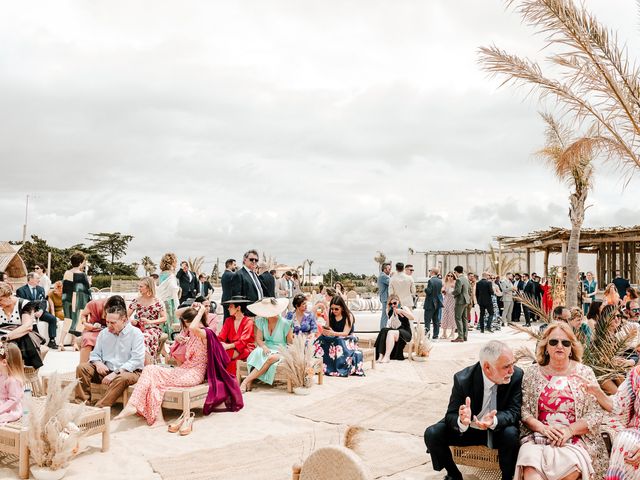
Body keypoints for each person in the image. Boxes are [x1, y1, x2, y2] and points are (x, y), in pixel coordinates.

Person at [515, 322, 607, 480]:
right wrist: (543, 429)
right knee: (531, 474)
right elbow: (524, 411)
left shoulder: (585, 372)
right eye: (553, 342)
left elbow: (595, 413)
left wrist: (569, 431)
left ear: (571, 348)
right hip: (538, 437)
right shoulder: (532, 373)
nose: (559, 346)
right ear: (546, 347)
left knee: (569, 472)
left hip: (575, 438)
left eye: (565, 343)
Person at [424, 340, 523, 480]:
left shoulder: (516, 376)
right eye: (506, 366)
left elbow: (514, 411)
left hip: (498, 430)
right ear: (487, 367)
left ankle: (507, 477)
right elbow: (450, 415)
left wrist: (494, 420)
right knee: (432, 433)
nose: (511, 370)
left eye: (513, 364)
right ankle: (453, 475)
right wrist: (462, 421)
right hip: (470, 430)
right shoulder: (463, 379)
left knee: (511, 433)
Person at [115, 304, 209, 427]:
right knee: (151, 375)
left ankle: (133, 405)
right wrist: (192, 307)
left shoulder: (206, 333)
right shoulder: (191, 334)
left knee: (152, 372)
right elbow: (178, 313)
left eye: (186, 323)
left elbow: (193, 327)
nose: (185, 326)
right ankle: (158, 419)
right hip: (184, 370)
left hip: (194, 374)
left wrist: (201, 311)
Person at [75, 304, 145, 407]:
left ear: (124, 320)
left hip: (129, 372)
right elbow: (95, 354)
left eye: (113, 323)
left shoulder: (136, 333)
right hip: (106, 370)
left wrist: (116, 373)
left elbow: (137, 360)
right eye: (107, 322)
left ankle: (99, 408)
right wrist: (98, 363)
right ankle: (81, 405)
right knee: (82, 368)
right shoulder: (104, 333)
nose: (109, 325)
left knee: (122, 378)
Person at [581, 364, 640, 480]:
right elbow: (619, 405)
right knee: (625, 441)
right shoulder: (638, 373)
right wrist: (597, 392)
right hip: (637, 432)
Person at [241, 298, 292, 392]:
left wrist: (287, 355)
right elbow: (259, 339)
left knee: (271, 358)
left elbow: (290, 344)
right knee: (257, 353)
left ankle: (246, 380)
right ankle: (250, 380)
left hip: (281, 350)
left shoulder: (285, 323)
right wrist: (264, 347)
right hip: (267, 347)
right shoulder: (262, 321)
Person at [314, 296, 365, 377]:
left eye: (336, 309)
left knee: (339, 341)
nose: (334, 311)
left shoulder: (349, 316)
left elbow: (346, 333)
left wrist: (333, 333)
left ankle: (338, 367)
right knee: (320, 339)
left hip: (347, 338)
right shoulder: (331, 315)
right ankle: (318, 365)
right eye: (332, 309)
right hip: (335, 337)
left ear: (342, 307)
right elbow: (327, 327)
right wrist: (326, 331)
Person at [0, 282, 44, 369]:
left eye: (0, 299)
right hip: (5, 336)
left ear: (9, 296)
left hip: (25, 337)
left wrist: (5, 337)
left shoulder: (25, 304)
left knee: (11, 346)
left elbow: (27, 327)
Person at [128, 277, 167, 364]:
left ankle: (146, 364)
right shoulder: (136, 301)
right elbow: (126, 316)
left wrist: (150, 322)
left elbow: (164, 318)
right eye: (139, 286)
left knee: (143, 338)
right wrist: (132, 321)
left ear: (148, 287)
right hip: (137, 327)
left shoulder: (158, 302)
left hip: (153, 328)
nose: (139, 288)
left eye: (141, 286)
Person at [78, 295, 127, 364]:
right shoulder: (94, 304)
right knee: (87, 339)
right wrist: (85, 323)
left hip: (111, 330)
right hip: (93, 329)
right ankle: (82, 366)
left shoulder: (119, 308)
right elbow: (83, 315)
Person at [16, 272, 58, 349]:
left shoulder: (40, 289)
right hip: (27, 312)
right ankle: (37, 340)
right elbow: (23, 303)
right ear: (31, 279)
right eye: (37, 278)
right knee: (32, 321)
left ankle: (52, 340)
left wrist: (41, 310)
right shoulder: (21, 290)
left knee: (52, 319)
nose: (39, 280)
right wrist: (32, 312)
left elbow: (44, 301)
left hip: (40, 311)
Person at [61, 251, 92, 350]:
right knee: (78, 320)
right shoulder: (82, 275)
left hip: (67, 301)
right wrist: (89, 282)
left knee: (68, 320)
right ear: (80, 262)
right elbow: (86, 289)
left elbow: (66, 287)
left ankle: (61, 343)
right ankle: (75, 344)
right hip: (78, 301)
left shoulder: (67, 273)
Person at [218, 296, 255, 376]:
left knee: (224, 353)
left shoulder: (248, 322)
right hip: (231, 349)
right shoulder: (229, 320)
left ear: (238, 308)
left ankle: (222, 375)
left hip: (245, 348)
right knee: (216, 350)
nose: (228, 309)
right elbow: (221, 337)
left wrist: (228, 346)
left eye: (230, 306)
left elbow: (244, 341)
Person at [374, 294, 413, 362]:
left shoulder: (404, 308)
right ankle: (380, 356)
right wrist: (393, 314)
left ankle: (387, 356)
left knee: (390, 332)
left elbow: (412, 317)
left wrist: (401, 311)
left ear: (398, 301)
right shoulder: (389, 311)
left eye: (394, 303)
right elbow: (391, 326)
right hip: (396, 331)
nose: (393, 305)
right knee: (383, 330)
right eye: (390, 304)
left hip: (405, 332)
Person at [231, 250, 265, 315]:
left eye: (256, 260)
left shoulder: (255, 275)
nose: (254, 261)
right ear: (245, 260)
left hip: (259, 312)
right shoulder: (239, 275)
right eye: (251, 259)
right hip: (247, 314)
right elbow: (236, 298)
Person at [0, 342, 25, 423]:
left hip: (10, 407)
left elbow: (13, 400)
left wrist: (1, 409)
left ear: (4, 362)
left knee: (6, 416)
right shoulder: (2, 374)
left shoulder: (13, 380)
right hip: (2, 402)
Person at [156, 253, 180, 335]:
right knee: (171, 323)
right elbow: (173, 288)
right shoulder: (171, 275)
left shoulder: (161, 274)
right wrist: (178, 289)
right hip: (170, 302)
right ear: (173, 262)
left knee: (163, 322)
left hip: (161, 301)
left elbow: (158, 287)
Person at [424, 267, 444, 340]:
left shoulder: (430, 281)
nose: (429, 272)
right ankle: (435, 335)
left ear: (432, 272)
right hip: (437, 302)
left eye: (430, 271)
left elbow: (429, 291)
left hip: (430, 303)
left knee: (427, 320)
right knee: (436, 321)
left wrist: (425, 289)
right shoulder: (440, 281)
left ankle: (427, 335)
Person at [452, 266, 471, 342]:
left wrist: (452, 293)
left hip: (460, 301)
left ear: (456, 272)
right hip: (466, 300)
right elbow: (469, 289)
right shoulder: (466, 279)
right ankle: (465, 336)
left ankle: (460, 336)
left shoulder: (459, 280)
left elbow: (458, 291)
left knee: (458, 318)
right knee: (464, 319)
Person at [440, 272, 457, 340]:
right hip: (446, 300)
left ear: (453, 276)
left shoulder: (455, 283)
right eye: (448, 275)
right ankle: (444, 333)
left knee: (452, 316)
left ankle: (452, 333)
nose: (449, 277)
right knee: (444, 316)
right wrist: (443, 290)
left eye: (451, 276)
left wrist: (453, 288)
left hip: (453, 301)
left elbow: (457, 292)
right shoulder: (445, 283)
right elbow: (442, 290)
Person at [378, 262, 391, 330]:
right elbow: (391, 282)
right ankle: (382, 330)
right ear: (385, 269)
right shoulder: (383, 276)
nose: (390, 270)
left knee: (386, 315)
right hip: (385, 298)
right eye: (389, 269)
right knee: (385, 315)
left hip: (385, 298)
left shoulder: (382, 275)